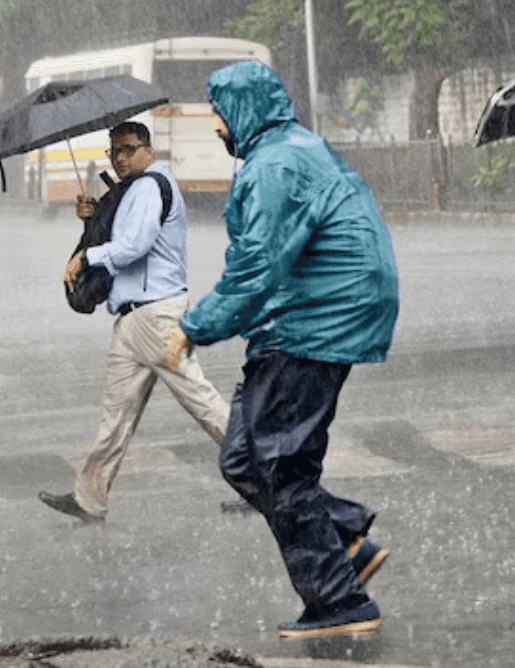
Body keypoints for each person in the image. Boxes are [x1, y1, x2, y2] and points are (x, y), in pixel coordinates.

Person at [166, 61, 399, 639]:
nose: (217, 128)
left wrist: (193, 325)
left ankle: (339, 603)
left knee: (280, 464)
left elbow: (257, 268)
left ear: (242, 112)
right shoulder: (289, 150)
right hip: (310, 316)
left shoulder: (273, 166)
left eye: (220, 115)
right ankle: (343, 538)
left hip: (315, 323)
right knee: (244, 459)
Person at [38, 121, 230, 524]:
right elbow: (119, 235)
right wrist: (91, 219)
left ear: (148, 148)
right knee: (116, 415)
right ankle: (89, 497)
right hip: (133, 320)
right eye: (114, 151)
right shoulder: (134, 189)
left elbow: (134, 246)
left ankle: (274, 478)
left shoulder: (148, 186)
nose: (121, 157)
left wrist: (86, 257)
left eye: (129, 148)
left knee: (203, 402)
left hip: (157, 316)